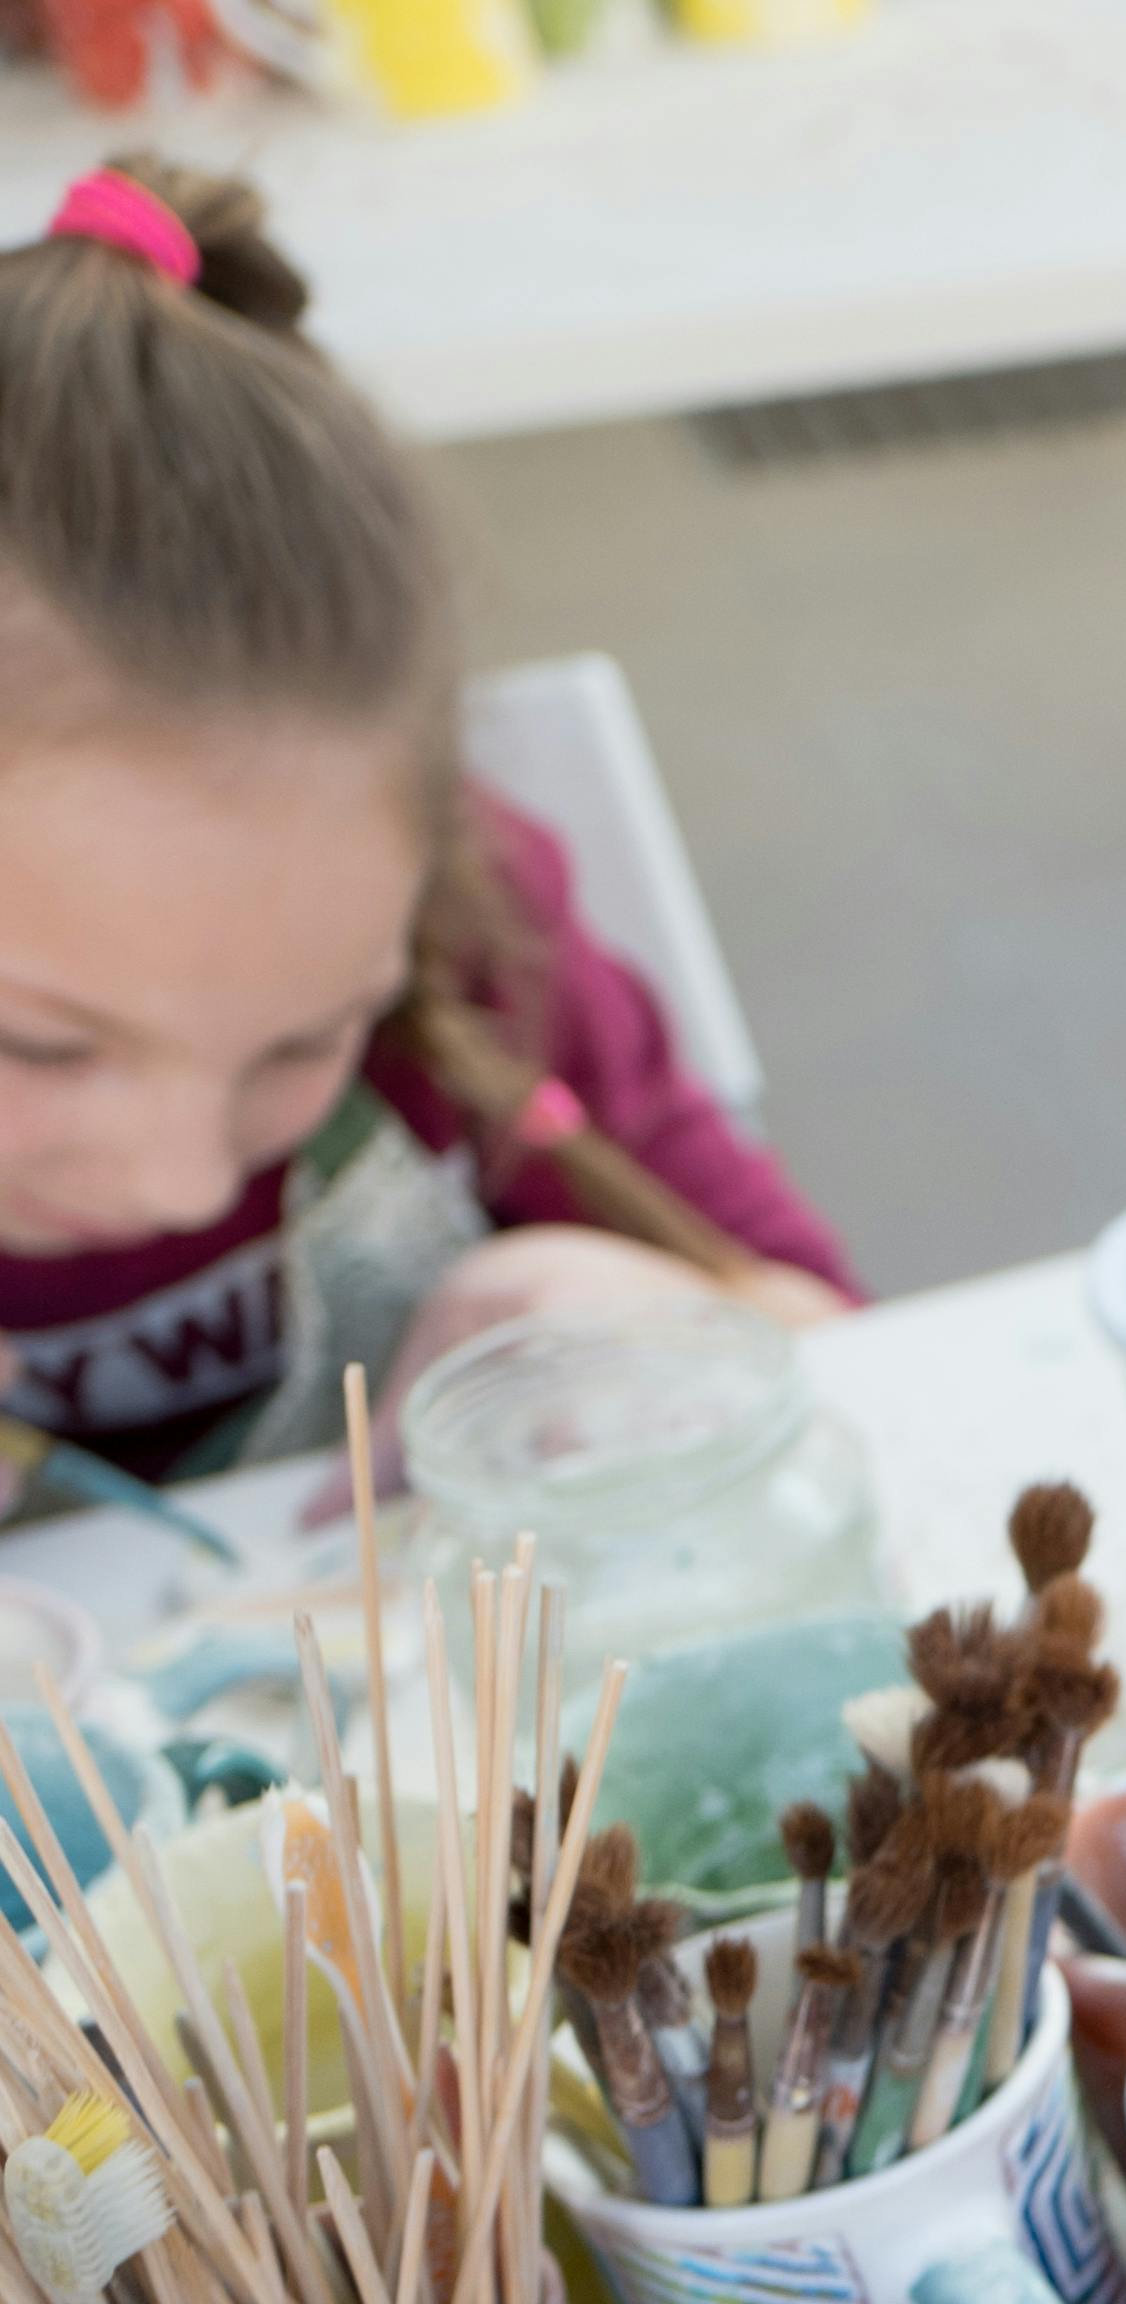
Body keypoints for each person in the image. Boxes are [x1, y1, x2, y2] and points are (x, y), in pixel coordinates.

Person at [0, 163, 850, 1498]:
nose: (175, 1180)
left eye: (301, 1042)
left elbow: (850, 1347)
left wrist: (652, 1321)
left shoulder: (477, 933)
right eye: (35, 1043)